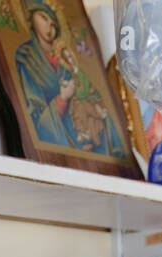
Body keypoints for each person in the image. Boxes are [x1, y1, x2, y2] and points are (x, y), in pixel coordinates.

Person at [15, 4, 125, 157]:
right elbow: (33, 117)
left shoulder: (69, 61)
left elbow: (93, 92)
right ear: (31, 17)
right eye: (43, 18)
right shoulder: (26, 57)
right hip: (55, 151)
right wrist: (62, 99)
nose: (49, 27)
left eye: (53, 23)